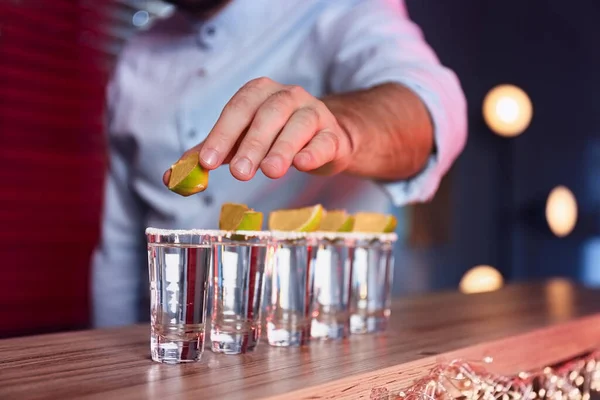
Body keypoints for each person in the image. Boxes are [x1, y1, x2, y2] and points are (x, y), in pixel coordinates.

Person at [91, 0, 467, 327]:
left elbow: (430, 102)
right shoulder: (135, 57)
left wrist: (344, 129)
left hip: (313, 342)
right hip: (175, 351)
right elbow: (120, 245)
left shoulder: (339, 8)